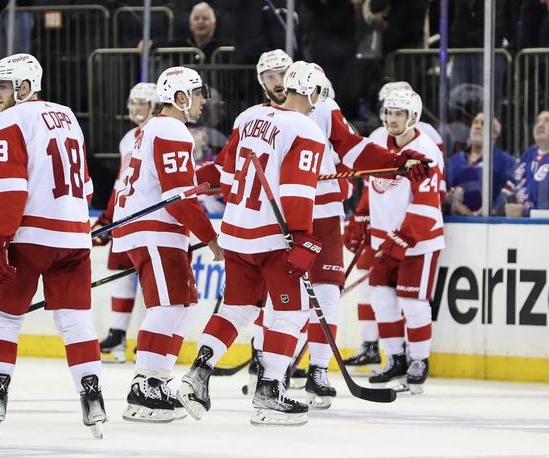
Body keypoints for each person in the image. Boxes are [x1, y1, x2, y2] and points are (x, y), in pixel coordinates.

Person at [177, 61, 329, 427]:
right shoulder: (305, 128)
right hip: (274, 238)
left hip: (236, 230)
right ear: (312, 93)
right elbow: (295, 189)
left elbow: (228, 176)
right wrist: (304, 238)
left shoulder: (249, 117)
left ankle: (198, 372)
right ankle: (270, 390)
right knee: (292, 313)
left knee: (238, 308)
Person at [0, 53, 106, 439]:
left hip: (29, 238)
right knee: (76, 321)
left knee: (3, 319)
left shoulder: (7, 122)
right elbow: (86, 186)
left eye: (3, 86)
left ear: (25, 87)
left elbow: (11, 189)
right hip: (74, 236)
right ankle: (93, 398)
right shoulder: (67, 116)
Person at [111, 66, 223, 423]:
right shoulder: (172, 129)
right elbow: (177, 196)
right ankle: (145, 384)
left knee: (182, 304)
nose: (203, 101)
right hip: (154, 229)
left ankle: (156, 380)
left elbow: (180, 184)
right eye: (197, 93)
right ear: (179, 97)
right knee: (168, 305)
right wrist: (211, 236)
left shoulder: (153, 130)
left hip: (149, 228)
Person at [342, 80, 445, 373]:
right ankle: (395, 358)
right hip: (384, 242)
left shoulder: (424, 151)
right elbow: (372, 189)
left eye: (399, 113)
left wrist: (400, 240)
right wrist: (361, 220)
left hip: (419, 242)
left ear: (413, 117)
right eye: (389, 112)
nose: (392, 119)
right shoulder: (377, 145)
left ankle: (419, 361)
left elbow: (426, 205)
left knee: (413, 302)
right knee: (381, 297)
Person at [95, 82, 161, 363]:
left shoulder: (161, 133)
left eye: (142, 103)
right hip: (126, 216)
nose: (136, 108)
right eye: (133, 102)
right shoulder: (128, 139)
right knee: (120, 273)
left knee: (149, 282)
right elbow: (122, 183)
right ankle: (117, 334)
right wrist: (107, 220)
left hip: (150, 218)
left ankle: (146, 338)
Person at [446, 113, 517, 216]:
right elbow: (444, 189)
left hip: (489, 225)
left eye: (483, 124)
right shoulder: (454, 160)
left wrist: (492, 209)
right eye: (475, 122)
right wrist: (449, 199)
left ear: (495, 133)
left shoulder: (505, 161)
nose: (477, 126)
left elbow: (511, 187)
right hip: (456, 224)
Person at [507, 110, 549, 216]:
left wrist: (525, 211)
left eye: (547, 121)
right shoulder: (528, 155)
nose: (540, 125)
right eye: (537, 122)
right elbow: (511, 185)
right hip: (523, 225)